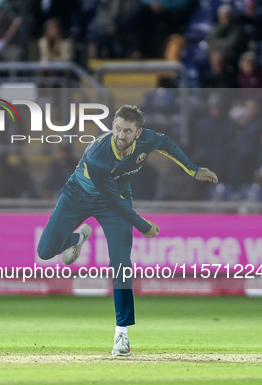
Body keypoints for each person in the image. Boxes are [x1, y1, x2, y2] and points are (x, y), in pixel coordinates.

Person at [37, 105, 218, 357]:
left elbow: (166, 143)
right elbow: (114, 202)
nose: (121, 135)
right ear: (112, 126)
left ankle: (121, 333)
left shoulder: (146, 140)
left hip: (116, 200)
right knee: (45, 251)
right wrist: (144, 226)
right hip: (79, 197)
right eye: (117, 129)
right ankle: (78, 237)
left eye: (127, 131)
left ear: (138, 132)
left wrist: (193, 170)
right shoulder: (97, 157)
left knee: (121, 265)